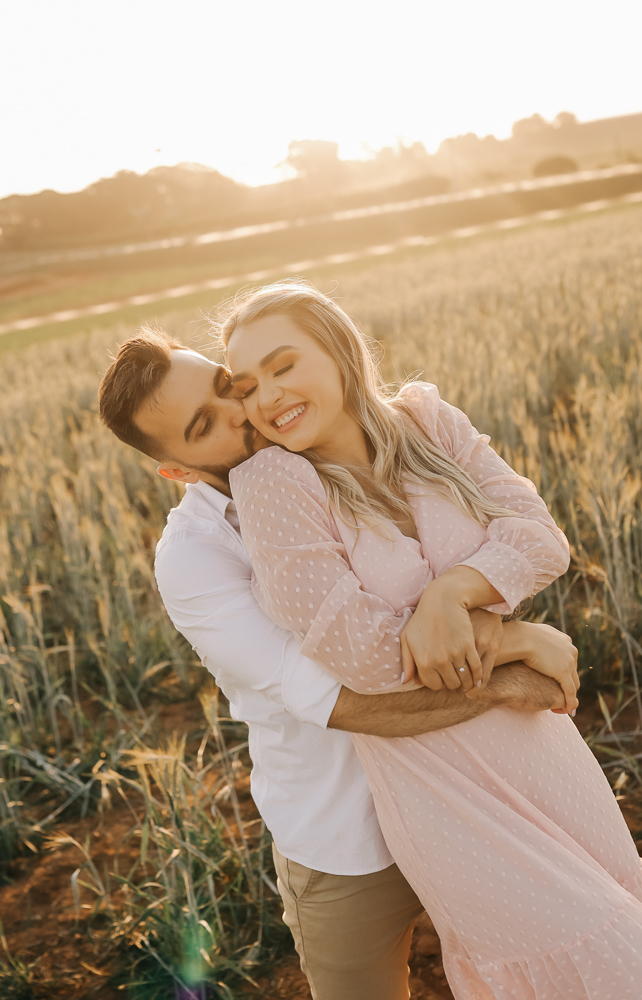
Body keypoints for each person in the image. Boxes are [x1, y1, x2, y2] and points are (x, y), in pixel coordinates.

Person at [221, 279, 642, 1000]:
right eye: (246, 386)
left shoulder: (426, 421)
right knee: (620, 970)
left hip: (542, 752)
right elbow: (363, 657)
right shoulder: (275, 481)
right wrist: (516, 637)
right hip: (445, 789)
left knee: (630, 932)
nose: (267, 396)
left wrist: (451, 594)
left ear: (338, 353)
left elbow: (538, 537)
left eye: (283, 366)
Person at [98, 330, 576, 1000]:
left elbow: (500, 538)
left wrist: (480, 607)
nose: (242, 411)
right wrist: (512, 657)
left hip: (477, 788)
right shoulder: (194, 559)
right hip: (348, 841)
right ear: (176, 470)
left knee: (551, 974)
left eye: (223, 386)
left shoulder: (348, 443)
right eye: (204, 426)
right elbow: (345, 703)